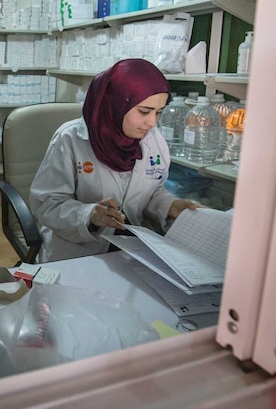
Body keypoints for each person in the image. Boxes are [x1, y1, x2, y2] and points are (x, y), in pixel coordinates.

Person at [29, 59, 197, 262]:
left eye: (158, 112)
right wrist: (90, 215)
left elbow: (152, 191)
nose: (152, 122)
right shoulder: (69, 139)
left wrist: (170, 205)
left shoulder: (153, 139)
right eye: (144, 111)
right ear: (115, 103)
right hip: (78, 252)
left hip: (132, 251)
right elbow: (47, 204)